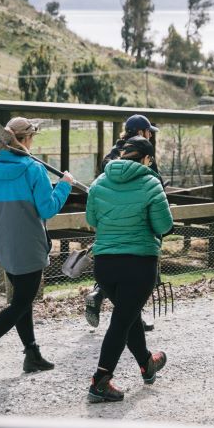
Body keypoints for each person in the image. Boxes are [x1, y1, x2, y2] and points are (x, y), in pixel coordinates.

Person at [0, 117, 76, 380]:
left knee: (21, 302)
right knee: (21, 303)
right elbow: (47, 209)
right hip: (30, 246)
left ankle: (32, 354)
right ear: (25, 140)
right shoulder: (32, 169)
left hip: (5, 246)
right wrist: (65, 185)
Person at [85, 136, 173, 402]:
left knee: (128, 315)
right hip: (138, 264)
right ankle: (100, 380)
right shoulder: (151, 183)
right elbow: (163, 226)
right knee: (122, 321)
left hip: (105, 266)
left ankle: (147, 363)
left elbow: (91, 219)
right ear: (147, 159)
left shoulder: (99, 182)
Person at [84, 113, 162, 330]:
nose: (150, 136)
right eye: (148, 132)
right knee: (140, 274)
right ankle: (134, 319)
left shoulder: (111, 156)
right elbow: (155, 183)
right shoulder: (142, 153)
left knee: (116, 264)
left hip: (110, 220)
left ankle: (99, 294)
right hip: (138, 220)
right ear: (141, 132)